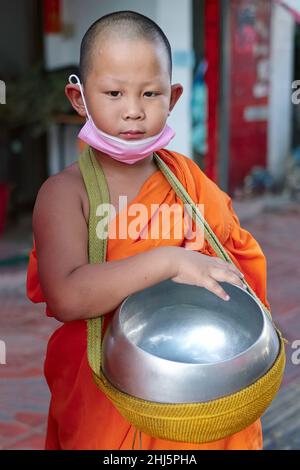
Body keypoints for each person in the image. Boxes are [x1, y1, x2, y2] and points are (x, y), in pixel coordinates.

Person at [27, 10, 268, 450]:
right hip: (105, 397)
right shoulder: (66, 194)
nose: (134, 111)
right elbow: (66, 294)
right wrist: (171, 261)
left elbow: (235, 260)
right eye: (114, 93)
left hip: (195, 394)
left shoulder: (189, 180)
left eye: (150, 93)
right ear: (79, 99)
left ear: (173, 97)